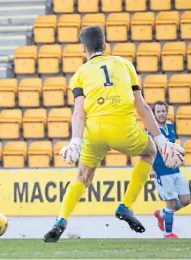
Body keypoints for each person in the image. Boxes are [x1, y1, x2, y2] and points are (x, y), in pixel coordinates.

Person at [43, 26, 185, 243]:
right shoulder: (125, 65)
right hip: (123, 129)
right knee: (149, 151)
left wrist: (75, 141)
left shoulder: (80, 74)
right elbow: (143, 108)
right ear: (105, 45)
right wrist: (161, 141)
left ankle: (61, 220)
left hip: (95, 132)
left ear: (84, 48)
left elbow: (78, 114)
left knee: (82, 176)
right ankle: (125, 205)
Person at [149, 101, 190, 239]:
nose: (161, 114)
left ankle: (162, 214)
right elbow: (148, 151)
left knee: (185, 200)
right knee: (171, 202)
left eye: (163, 111)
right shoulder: (151, 131)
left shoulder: (171, 127)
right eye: (158, 112)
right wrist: (150, 169)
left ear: (167, 112)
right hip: (161, 172)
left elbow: (172, 147)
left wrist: (178, 158)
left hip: (175, 170)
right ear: (153, 114)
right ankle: (168, 234)